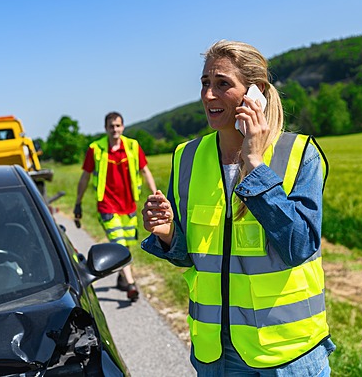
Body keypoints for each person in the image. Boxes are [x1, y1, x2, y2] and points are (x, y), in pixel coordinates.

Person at [141, 40, 335, 375]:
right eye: (205, 84)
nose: (209, 95)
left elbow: (300, 245)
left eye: (222, 84)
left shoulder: (299, 154)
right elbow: (195, 256)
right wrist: (169, 234)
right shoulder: (186, 157)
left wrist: (255, 164)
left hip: (287, 354)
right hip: (217, 351)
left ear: (255, 93)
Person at [75, 111, 157, 302]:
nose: (115, 129)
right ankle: (130, 284)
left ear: (123, 127)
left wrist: (155, 194)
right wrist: (78, 202)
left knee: (127, 244)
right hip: (107, 205)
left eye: (118, 125)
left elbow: (145, 171)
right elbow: (85, 177)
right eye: (111, 126)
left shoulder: (132, 146)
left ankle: (121, 278)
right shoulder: (95, 149)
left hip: (129, 205)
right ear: (105, 128)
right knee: (119, 243)